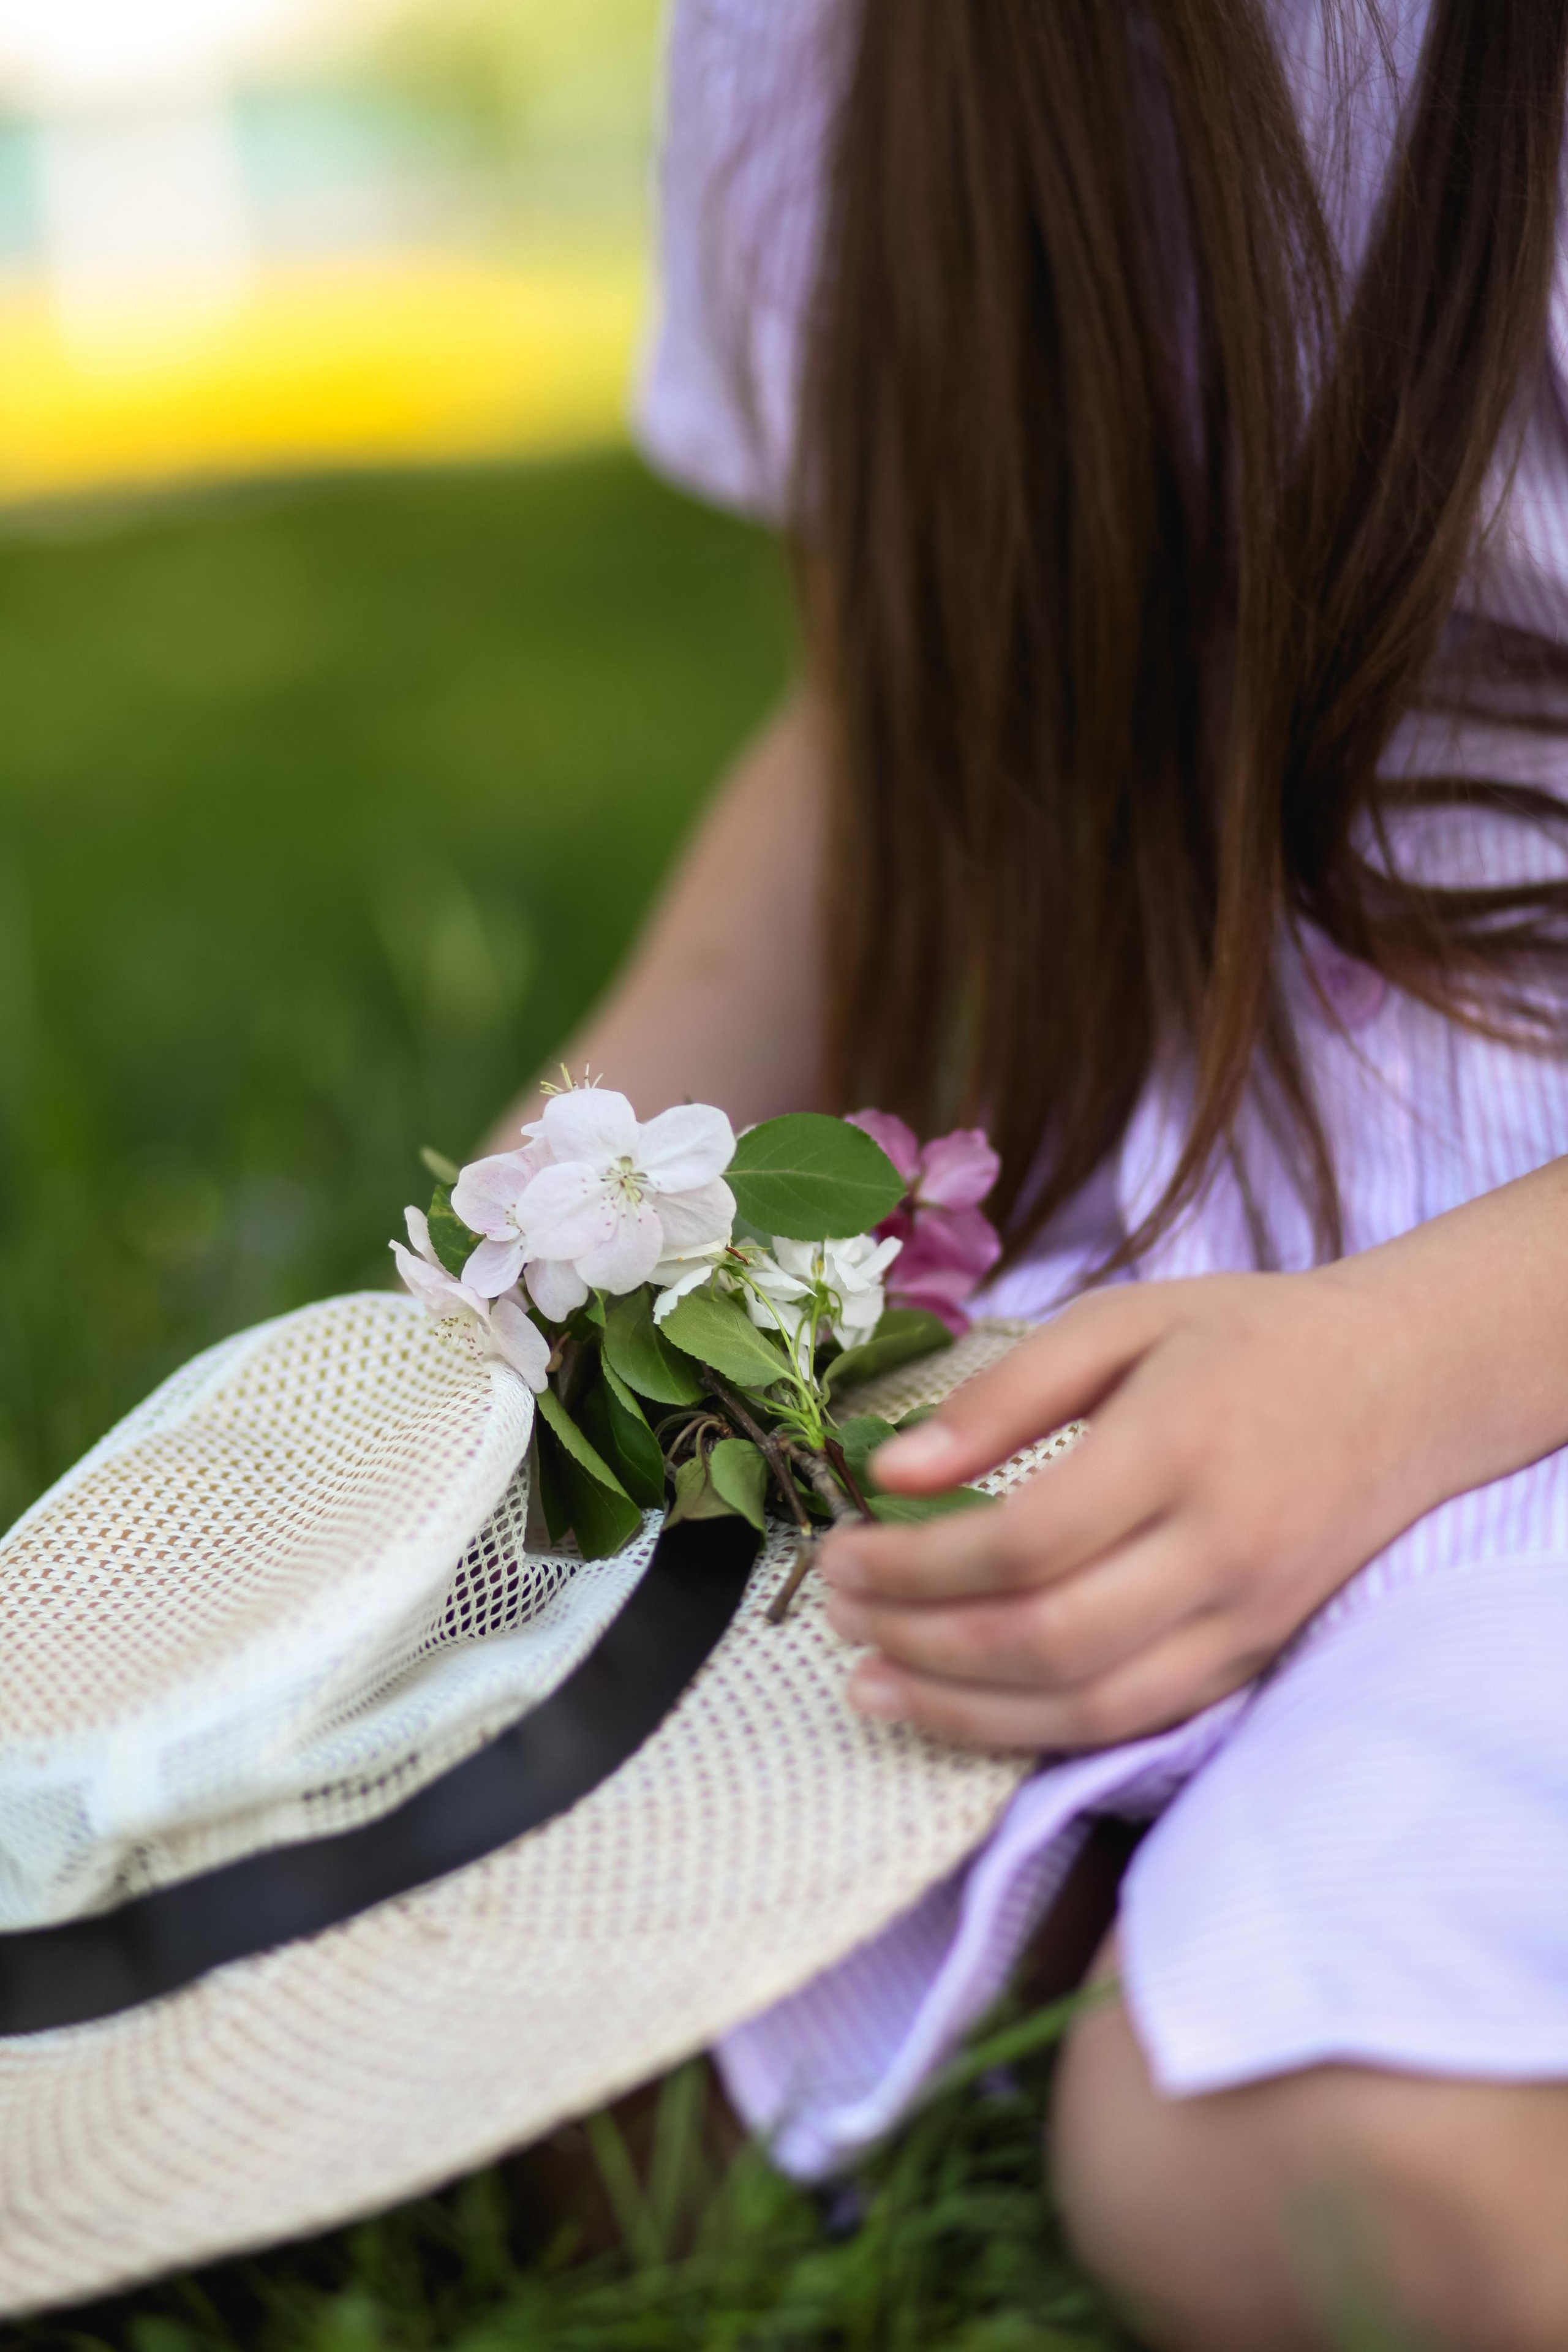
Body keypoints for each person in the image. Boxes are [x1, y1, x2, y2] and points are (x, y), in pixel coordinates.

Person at [489, 4, 1568, 2344]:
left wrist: (1393, 1379)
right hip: (1154, 1269)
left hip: (1519, 1328)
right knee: (464, 2025)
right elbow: (886, 707)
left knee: (1322, 2155)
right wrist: (527, 1259)